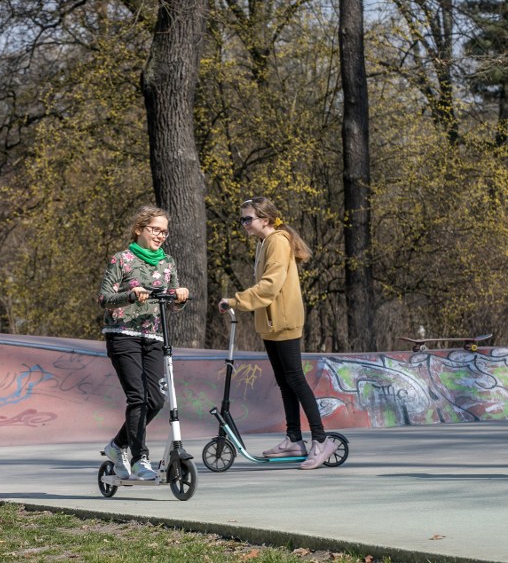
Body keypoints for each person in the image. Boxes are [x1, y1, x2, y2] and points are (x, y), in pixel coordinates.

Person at [218, 197, 336, 470]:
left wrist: (235, 301)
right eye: (242, 220)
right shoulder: (263, 243)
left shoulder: (278, 242)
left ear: (266, 219)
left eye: (248, 219)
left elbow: (270, 286)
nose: (244, 224)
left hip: (283, 321)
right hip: (271, 323)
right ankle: (294, 438)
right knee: (285, 381)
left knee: (296, 380)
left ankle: (321, 440)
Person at [98, 206, 189, 480]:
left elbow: (171, 304)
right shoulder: (122, 260)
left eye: (164, 231)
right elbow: (104, 297)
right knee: (137, 397)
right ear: (139, 229)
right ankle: (140, 459)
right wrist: (129, 295)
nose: (161, 235)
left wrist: (180, 298)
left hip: (154, 337)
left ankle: (117, 446)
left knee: (156, 400)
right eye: (155, 230)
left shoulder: (168, 263)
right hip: (123, 334)